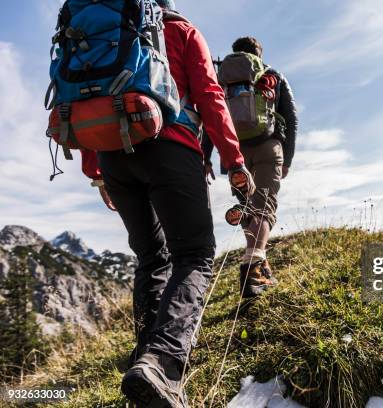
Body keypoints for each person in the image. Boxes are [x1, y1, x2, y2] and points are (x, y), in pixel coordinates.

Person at [80, 1, 254, 406]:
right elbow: (211, 96)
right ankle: (163, 364)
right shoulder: (181, 30)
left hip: (112, 156)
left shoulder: (104, 32)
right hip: (171, 147)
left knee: (150, 258)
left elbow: (90, 99)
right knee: (194, 255)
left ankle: (144, 361)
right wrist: (234, 160)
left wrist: (97, 171)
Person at [211, 36, 298, 298]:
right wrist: (288, 159)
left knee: (249, 208)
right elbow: (291, 120)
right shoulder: (273, 75)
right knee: (264, 207)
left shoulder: (222, 79)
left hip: (234, 152)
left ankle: (259, 264)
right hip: (267, 146)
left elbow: (212, 115)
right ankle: (252, 268)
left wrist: (207, 157)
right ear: (258, 55)